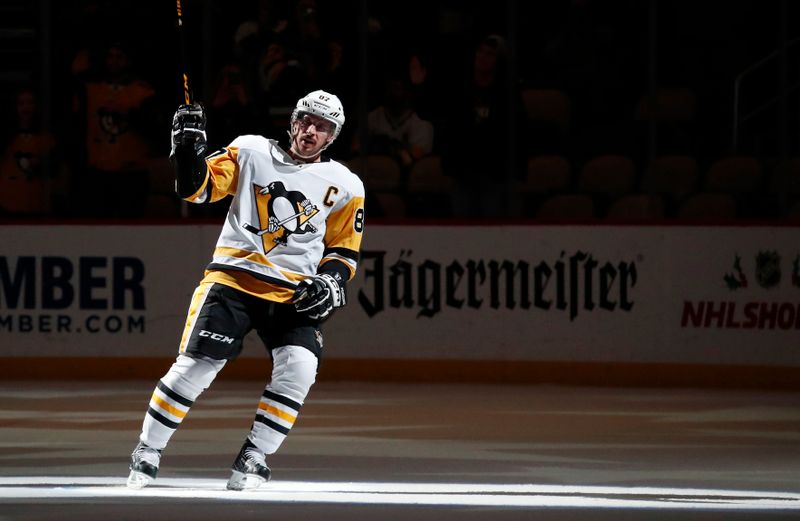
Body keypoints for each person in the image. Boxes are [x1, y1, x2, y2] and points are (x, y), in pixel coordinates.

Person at [126, 89, 365, 490]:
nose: (311, 131)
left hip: (294, 294)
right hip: (233, 281)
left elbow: (344, 249)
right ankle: (148, 449)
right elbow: (197, 190)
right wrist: (186, 152)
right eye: (306, 121)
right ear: (293, 122)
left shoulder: (345, 184)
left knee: (301, 369)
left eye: (322, 127)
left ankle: (254, 456)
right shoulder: (250, 150)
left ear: (333, 136)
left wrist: (331, 280)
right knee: (196, 367)